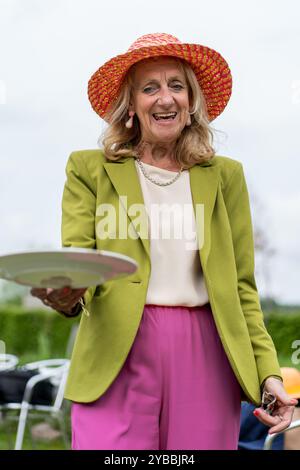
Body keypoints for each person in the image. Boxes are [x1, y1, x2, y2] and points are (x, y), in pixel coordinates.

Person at [31, 33, 298, 450]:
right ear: (131, 105)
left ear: (192, 103)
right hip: (117, 348)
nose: (165, 98)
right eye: (149, 87)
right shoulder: (89, 169)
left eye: (177, 86)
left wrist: (270, 375)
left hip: (205, 350)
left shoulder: (225, 176)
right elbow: (78, 262)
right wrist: (66, 293)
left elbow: (242, 288)